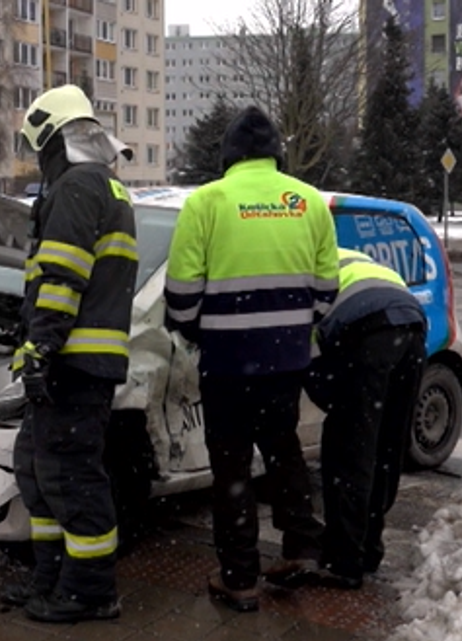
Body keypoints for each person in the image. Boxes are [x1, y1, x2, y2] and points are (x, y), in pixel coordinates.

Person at [163, 105, 340, 613]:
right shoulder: (308, 202)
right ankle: (302, 546)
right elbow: (328, 290)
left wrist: (200, 330)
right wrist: (288, 329)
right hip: (285, 361)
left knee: (232, 468)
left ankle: (240, 579)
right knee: (283, 451)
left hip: (226, 363)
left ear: (230, 156)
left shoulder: (208, 202)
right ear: (275, 155)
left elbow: (180, 294)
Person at [6, 85, 138, 623]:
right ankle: (52, 577)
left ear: (55, 140)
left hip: (74, 363)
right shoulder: (102, 185)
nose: (40, 162)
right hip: (76, 360)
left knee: (71, 477)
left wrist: (41, 347)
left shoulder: (80, 185)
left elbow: (62, 276)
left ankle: (89, 590)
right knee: (39, 471)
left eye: (41, 150)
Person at [304, 248, 426, 589]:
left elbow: (309, 358)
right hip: (411, 331)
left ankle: (344, 563)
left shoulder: (304, 277)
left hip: (369, 335)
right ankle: (370, 548)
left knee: (348, 451)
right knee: (388, 447)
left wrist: (334, 404)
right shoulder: (349, 257)